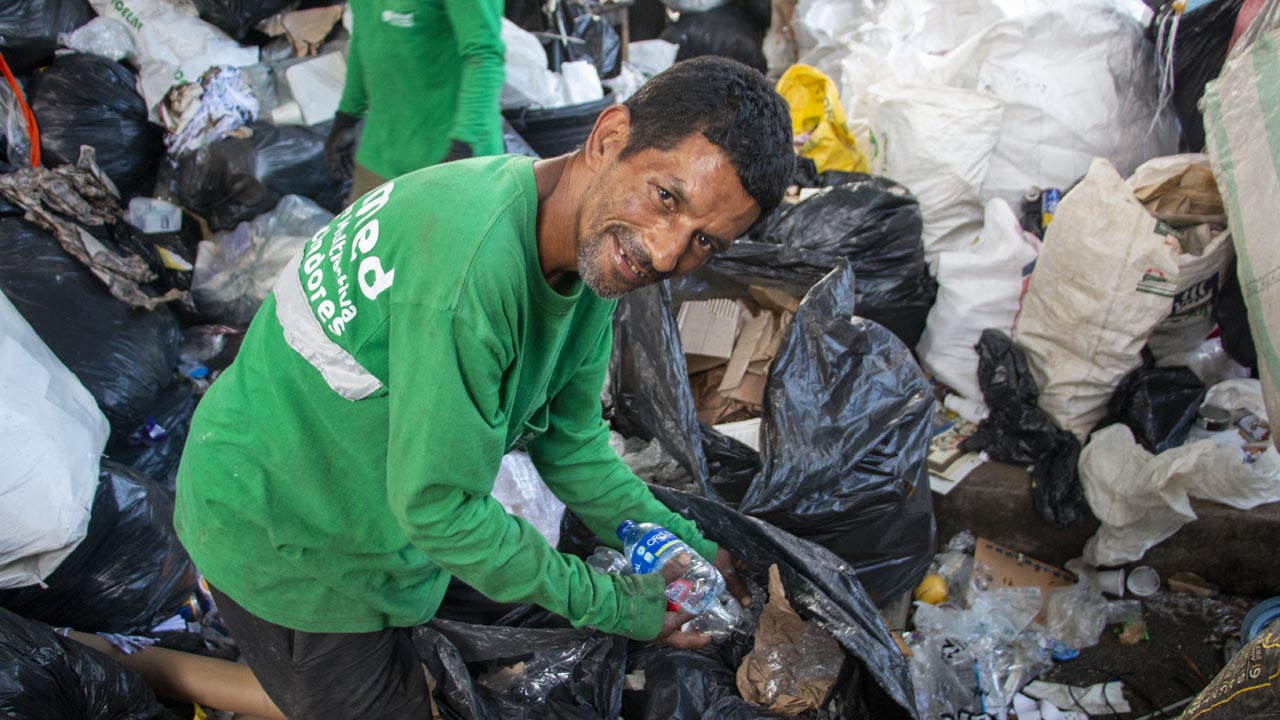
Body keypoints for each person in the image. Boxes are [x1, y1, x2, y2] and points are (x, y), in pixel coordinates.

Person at [174, 56, 794, 719]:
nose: (667, 253)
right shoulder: (472, 275)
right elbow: (441, 511)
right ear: (610, 137)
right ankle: (129, 661)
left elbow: (573, 445)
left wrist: (692, 549)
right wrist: (620, 607)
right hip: (282, 535)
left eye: (703, 240)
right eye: (667, 196)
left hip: (371, 504)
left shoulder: (589, 245)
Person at [324, 0, 505, 202]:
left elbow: (483, 56)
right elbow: (364, 34)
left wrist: (464, 144)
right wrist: (347, 116)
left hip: (447, 159)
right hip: (379, 157)